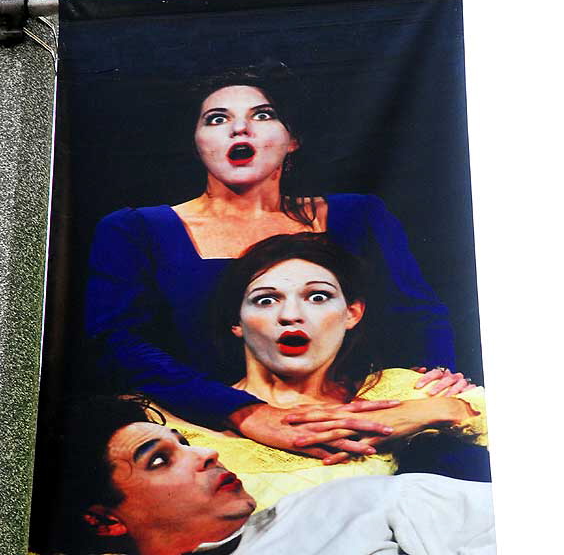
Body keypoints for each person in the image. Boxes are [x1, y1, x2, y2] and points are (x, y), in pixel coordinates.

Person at [86, 63, 460, 461]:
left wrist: (428, 391)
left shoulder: (359, 216)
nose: (239, 130)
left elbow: (420, 315)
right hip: (207, 432)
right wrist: (244, 413)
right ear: (197, 141)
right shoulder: (136, 229)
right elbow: (116, 342)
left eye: (262, 115)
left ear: (292, 138)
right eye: (216, 119)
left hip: (356, 424)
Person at [157, 232, 487, 509]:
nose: (290, 315)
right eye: (266, 300)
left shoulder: (400, 390)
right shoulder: (178, 422)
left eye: (317, 296)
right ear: (236, 322)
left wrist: (449, 408)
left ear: (351, 313)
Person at [42, 396, 495, 555]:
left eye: (183, 442)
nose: (206, 452)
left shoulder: (353, 505)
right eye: (159, 459)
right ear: (103, 520)